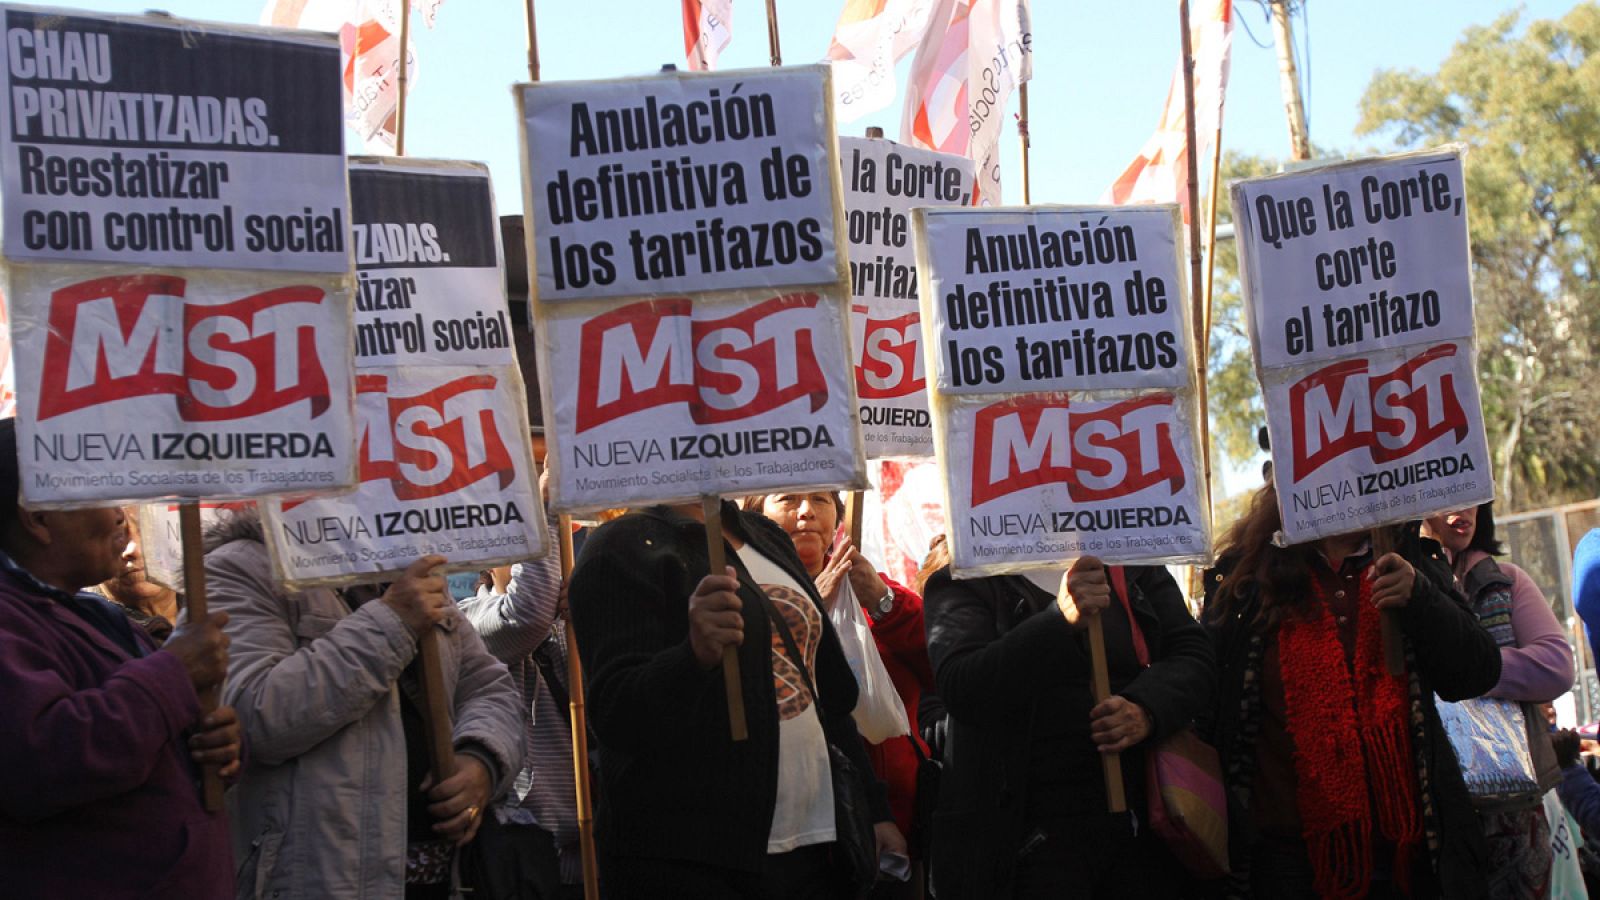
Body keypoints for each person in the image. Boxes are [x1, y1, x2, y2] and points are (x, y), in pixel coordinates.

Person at [568, 499, 896, 899]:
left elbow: (825, 695)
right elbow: (614, 713)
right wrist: (693, 656)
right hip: (694, 860)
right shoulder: (619, 546)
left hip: (813, 844)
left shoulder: (766, 535)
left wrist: (876, 810)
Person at [1202, 483, 1503, 899]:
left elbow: (1477, 673)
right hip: (1286, 861)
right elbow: (1209, 694)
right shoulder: (1247, 576)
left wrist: (1420, 598)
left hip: (1406, 855)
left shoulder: (1408, 557)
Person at [205, 511, 524, 899]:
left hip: (440, 879)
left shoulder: (402, 569)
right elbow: (254, 715)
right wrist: (393, 622)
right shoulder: (242, 567)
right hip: (317, 879)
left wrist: (481, 760)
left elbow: (488, 687)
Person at [0, 417, 241, 898]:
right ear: (39, 518)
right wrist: (173, 674)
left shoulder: (98, 617)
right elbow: (41, 761)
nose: (119, 518)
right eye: (102, 494)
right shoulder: (10, 620)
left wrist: (216, 740)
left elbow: (153, 736)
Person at [921, 552, 1214, 900]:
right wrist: (1058, 620)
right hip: (1025, 839)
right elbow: (963, 688)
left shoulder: (1132, 564)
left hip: (1142, 825)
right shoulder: (964, 578)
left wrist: (1146, 708)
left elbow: (1194, 656)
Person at [743, 492, 923, 891]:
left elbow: (941, 665)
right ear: (754, 515)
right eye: (788, 499)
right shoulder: (738, 599)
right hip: (797, 828)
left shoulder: (870, 589)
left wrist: (884, 603)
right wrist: (807, 614)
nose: (806, 511)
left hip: (894, 819)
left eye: (821, 499)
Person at [1421, 502, 1574, 898]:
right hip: (1431, 812)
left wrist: (1474, 668)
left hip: (1514, 810)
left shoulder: (1505, 580)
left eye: (1469, 496)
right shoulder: (1396, 584)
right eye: (1445, 499)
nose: (1461, 509)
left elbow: (1556, 665)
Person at [459, 543, 586, 899]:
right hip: (529, 862)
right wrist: (541, 508)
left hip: (596, 855)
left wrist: (587, 623)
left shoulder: (565, 620)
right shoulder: (467, 620)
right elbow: (525, 614)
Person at [92, 508, 179, 641]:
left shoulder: (214, 596)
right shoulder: (89, 630)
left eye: (148, 531)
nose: (134, 550)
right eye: (116, 536)